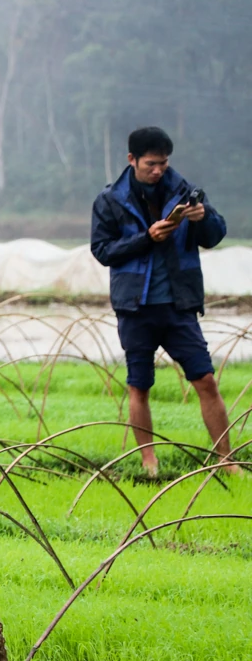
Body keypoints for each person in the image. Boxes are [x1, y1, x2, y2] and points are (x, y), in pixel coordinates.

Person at [91, 126, 237, 476]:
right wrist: (147, 237)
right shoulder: (110, 200)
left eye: (163, 163)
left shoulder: (185, 192)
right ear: (132, 160)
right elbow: (102, 250)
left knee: (205, 380)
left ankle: (226, 460)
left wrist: (204, 219)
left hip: (178, 305)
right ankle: (149, 462)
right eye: (151, 164)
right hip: (135, 308)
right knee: (139, 386)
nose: (158, 170)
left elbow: (214, 236)